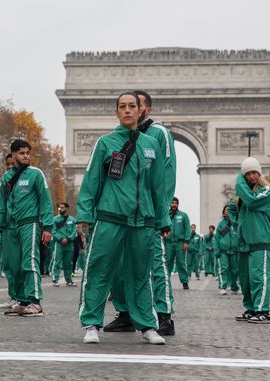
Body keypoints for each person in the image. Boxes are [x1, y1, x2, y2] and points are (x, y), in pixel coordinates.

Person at [76, 92, 170, 345]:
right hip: (110, 218)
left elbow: (158, 187)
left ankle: (148, 326)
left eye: (132, 106)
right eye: (122, 106)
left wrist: (163, 219)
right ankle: (91, 323)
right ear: (116, 112)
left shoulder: (152, 145)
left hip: (143, 221)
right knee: (99, 270)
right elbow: (91, 179)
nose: (127, 110)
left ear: (141, 111)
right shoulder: (105, 143)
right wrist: (84, 214)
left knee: (141, 274)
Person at [104, 90, 177, 337]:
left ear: (147, 109)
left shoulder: (158, 134)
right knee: (120, 264)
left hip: (148, 214)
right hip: (121, 213)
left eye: (138, 105)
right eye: (128, 105)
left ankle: (164, 315)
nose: (134, 109)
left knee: (155, 263)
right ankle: (125, 314)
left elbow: (165, 175)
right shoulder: (121, 136)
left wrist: (162, 212)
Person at [0, 139, 54, 317]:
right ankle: (22, 300)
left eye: (27, 153)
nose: (26, 156)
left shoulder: (36, 174)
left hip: (29, 224)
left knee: (29, 261)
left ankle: (35, 302)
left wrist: (48, 227)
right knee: (12, 265)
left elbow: (45, 201)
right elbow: (1, 204)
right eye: (21, 153)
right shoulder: (6, 178)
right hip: (10, 228)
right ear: (13, 155)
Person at [233, 157, 270, 324]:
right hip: (244, 242)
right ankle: (251, 308)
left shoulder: (267, 190)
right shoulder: (243, 194)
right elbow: (231, 210)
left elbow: (252, 201)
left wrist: (238, 179)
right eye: (247, 174)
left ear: (259, 173)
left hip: (259, 240)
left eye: (254, 172)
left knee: (259, 277)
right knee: (246, 280)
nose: (251, 176)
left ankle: (263, 311)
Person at [0, 153, 19, 309]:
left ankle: (24, 297)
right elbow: (0, 205)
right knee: (8, 264)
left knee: (20, 264)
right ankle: (13, 296)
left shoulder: (29, 177)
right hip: (7, 227)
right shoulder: (5, 180)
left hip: (23, 225)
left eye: (12, 164)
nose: (10, 167)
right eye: (7, 164)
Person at [215, 205, 240, 295]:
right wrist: (217, 250)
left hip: (235, 251)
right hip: (223, 251)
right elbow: (217, 238)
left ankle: (234, 287)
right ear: (223, 212)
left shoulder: (237, 223)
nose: (227, 212)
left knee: (235, 270)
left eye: (229, 210)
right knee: (224, 268)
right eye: (226, 210)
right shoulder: (221, 224)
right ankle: (223, 286)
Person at [51, 202, 77, 287]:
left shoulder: (72, 220)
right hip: (59, 244)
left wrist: (69, 238)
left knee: (68, 263)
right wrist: (61, 239)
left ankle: (69, 280)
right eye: (59, 208)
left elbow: (74, 231)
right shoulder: (55, 219)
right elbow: (53, 231)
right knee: (57, 262)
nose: (60, 209)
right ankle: (55, 279)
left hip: (69, 244)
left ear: (66, 208)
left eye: (62, 208)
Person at [167, 197, 191, 289]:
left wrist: (186, 241)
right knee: (168, 263)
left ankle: (184, 281)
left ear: (178, 204)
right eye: (172, 203)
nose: (173, 204)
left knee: (181, 263)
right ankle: (166, 281)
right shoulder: (166, 215)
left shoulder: (183, 215)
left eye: (175, 203)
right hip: (169, 243)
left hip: (180, 243)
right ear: (170, 204)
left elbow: (187, 228)